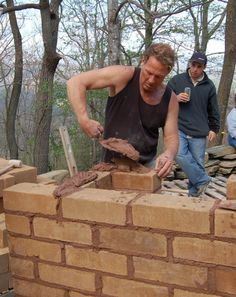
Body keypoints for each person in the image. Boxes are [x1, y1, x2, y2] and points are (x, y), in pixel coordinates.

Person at [67, 43, 179, 178]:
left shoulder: (170, 99)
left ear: (167, 72)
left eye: (158, 76)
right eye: (148, 72)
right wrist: (84, 119)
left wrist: (169, 154)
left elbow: (171, 136)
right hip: (111, 165)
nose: (151, 80)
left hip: (146, 168)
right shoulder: (124, 75)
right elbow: (75, 82)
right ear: (143, 60)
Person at [167, 52, 220, 197]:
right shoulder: (177, 81)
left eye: (199, 66)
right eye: (193, 64)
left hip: (199, 131)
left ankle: (194, 197)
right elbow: (163, 99)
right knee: (179, 154)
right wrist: (175, 98)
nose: (195, 69)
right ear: (189, 63)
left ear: (204, 67)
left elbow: (213, 109)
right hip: (180, 127)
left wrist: (214, 128)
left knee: (197, 164)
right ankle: (203, 179)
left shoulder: (209, 86)